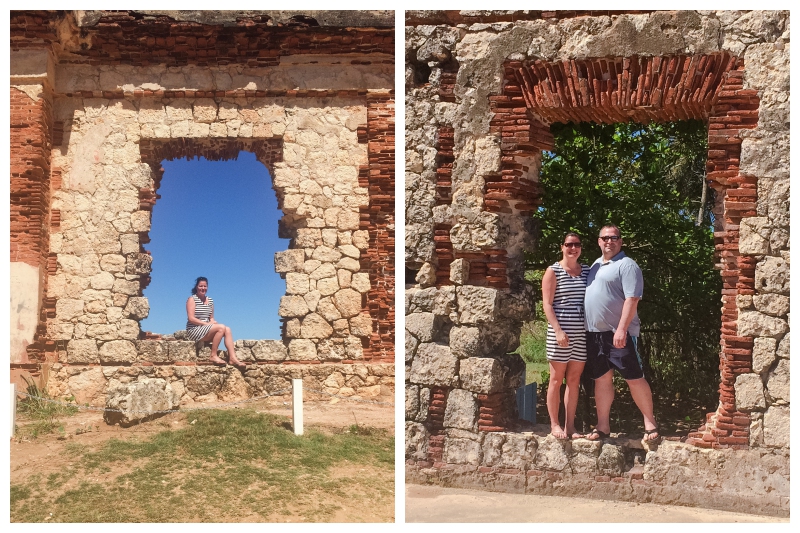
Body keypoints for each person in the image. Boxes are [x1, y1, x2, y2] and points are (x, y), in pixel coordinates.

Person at [583, 224, 659, 442]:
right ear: (599, 241)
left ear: (620, 241)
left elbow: (632, 299)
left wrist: (622, 329)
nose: (609, 241)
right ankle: (602, 426)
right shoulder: (596, 265)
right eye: (605, 238)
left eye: (614, 237)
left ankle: (650, 424)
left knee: (634, 377)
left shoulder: (627, 265)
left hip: (619, 333)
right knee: (601, 379)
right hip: (595, 334)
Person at [541, 232, 589, 440]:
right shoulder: (553, 271)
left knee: (574, 380)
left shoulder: (586, 270)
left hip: (581, 334)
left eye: (576, 244)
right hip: (560, 334)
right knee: (556, 380)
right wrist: (558, 330)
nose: (573, 248)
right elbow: (547, 304)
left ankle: (570, 426)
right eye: (569, 244)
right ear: (562, 247)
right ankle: (555, 424)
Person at [186, 276, 246, 370]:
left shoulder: (210, 300)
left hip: (206, 329)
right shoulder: (192, 299)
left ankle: (232, 358)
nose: (203, 288)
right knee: (221, 327)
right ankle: (213, 355)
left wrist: (212, 322)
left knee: (228, 329)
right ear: (196, 287)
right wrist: (207, 324)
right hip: (194, 330)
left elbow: (211, 317)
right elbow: (191, 319)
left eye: (205, 286)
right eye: (201, 286)